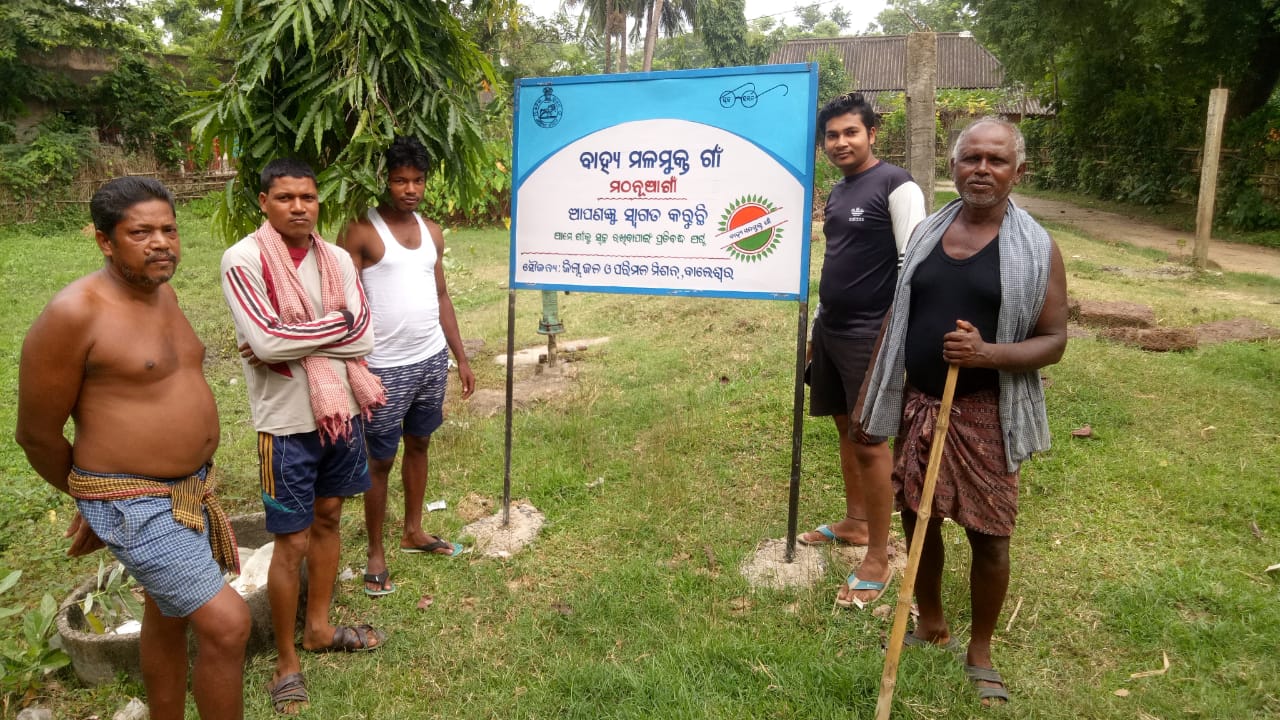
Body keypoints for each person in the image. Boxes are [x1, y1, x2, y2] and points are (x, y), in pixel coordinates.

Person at [16, 177, 250, 720]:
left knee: (168, 614)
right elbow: (36, 435)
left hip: (187, 490)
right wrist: (96, 497)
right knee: (228, 623)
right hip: (136, 502)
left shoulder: (163, 293)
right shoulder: (74, 313)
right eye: (141, 232)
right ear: (105, 240)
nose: (161, 242)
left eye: (169, 229)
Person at [860, 117, 1068, 705]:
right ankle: (930, 621)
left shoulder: (1037, 248)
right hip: (920, 407)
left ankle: (980, 650)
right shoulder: (928, 233)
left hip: (986, 414)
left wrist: (987, 353)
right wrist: (871, 395)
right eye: (971, 158)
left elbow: (1054, 340)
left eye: (996, 160)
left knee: (990, 535)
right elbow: (898, 315)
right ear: (953, 167)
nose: (982, 169)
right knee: (918, 518)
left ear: (1017, 172)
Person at [221, 158, 388, 715]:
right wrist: (318, 332)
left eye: (308, 198)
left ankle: (318, 628)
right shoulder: (244, 260)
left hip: (341, 414)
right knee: (291, 540)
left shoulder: (336, 258)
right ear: (263, 202)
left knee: (330, 517)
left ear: (319, 202)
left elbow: (364, 337)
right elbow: (267, 343)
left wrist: (288, 336)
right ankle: (286, 659)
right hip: (286, 423)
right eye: (285, 197)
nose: (299, 207)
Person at [799, 92, 925, 608]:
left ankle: (877, 556)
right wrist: (816, 328)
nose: (840, 142)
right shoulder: (839, 190)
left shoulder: (897, 185)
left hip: (872, 334)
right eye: (831, 135)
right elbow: (838, 260)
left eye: (851, 132)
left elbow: (914, 264)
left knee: (870, 439)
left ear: (872, 133)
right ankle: (855, 522)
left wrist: (895, 338)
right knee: (844, 427)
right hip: (832, 328)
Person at [337, 136, 476, 597]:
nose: (410, 189)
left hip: (430, 358)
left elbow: (441, 295)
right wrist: (353, 365)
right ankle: (375, 552)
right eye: (400, 180)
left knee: (420, 443)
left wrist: (460, 356)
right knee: (380, 460)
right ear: (386, 180)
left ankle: (413, 530)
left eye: (417, 180)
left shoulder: (432, 231)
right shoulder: (361, 231)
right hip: (383, 366)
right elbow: (342, 301)